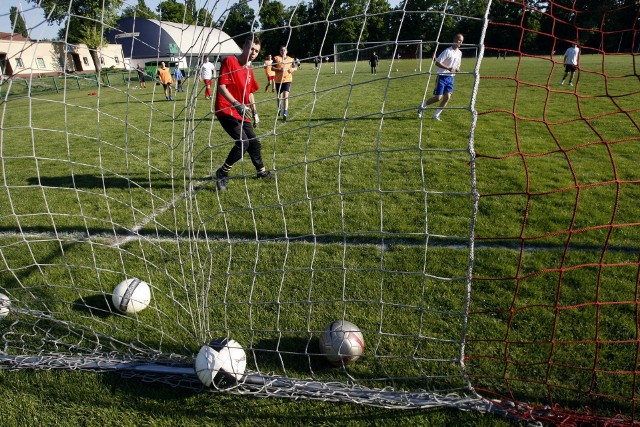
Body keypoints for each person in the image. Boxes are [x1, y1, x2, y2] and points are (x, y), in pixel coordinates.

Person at [213, 35, 272, 191]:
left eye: (256, 51)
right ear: (244, 47)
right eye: (251, 48)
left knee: (254, 142)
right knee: (243, 142)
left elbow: (250, 92)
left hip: (242, 111)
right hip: (226, 109)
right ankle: (222, 173)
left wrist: (255, 112)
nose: (253, 52)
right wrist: (236, 104)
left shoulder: (249, 68)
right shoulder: (229, 61)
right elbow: (221, 87)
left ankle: (261, 171)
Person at [417, 33, 464, 121]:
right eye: (458, 40)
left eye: (461, 41)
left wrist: (457, 69)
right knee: (438, 98)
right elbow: (437, 62)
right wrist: (448, 68)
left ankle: (436, 115)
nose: (459, 42)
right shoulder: (447, 51)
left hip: (451, 78)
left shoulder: (460, 53)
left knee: (447, 98)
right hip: (442, 76)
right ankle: (421, 107)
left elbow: (458, 65)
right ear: (454, 40)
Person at [272, 46, 297, 122]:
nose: (283, 51)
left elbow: (295, 67)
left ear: (287, 51)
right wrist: (279, 69)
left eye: (284, 50)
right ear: (280, 51)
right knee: (279, 97)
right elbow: (272, 68)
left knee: (285, 96)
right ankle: (279, 108)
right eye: (281, 50)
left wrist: (293, 69)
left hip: (287, 80)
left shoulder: (291, 59)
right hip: (278, 81)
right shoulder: (276, 58)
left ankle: (285, 113)